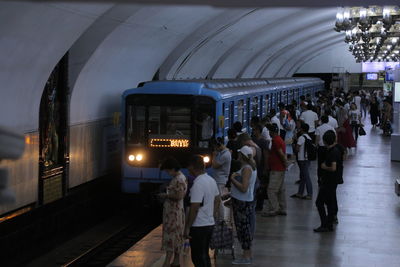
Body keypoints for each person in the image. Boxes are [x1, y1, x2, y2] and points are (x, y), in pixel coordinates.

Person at [184, 155, 220, 267]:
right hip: (209, 224)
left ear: (192, 167)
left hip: (198, 226)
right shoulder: (211, 180)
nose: (187, 169)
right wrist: (211, 215)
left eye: (188, 166)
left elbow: (194, 207)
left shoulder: (198, 184)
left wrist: (188, 227)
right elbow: (217, 200)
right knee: (204, 255)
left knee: (198, 257)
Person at [230, 146, 257, 265]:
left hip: (242, 203)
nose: (238, 154)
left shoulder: (246, 168)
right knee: (245, 228)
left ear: (242, 156)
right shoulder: (251, 166)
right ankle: (247, 255)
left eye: (239, 153)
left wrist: (232, 179)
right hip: (243, 201)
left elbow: (244, 188)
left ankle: (246, 257)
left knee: (243, 229)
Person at [159, 157, 188, 267]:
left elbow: (179, 196)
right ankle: (176, 262)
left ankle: (166, 262)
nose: (167, 173)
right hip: (175, 213)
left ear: (172, 168)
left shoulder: (179, 179)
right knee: (176, 237)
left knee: (171, 237)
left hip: (173, 215)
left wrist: (166, 195)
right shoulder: (180, 178)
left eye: (167, 170)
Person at [314, 130, 342, 233]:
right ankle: (329, 224)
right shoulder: (337, 149)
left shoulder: (332, 152)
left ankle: (324, 224)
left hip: (328, 181)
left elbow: (333, 167)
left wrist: (324, 167)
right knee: (330, 203)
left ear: (325, 141)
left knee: (319, 202)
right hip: (332, 181)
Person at [262, 123, 288, 217]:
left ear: (272, 132)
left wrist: (285, 163)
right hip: (280, 168)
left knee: (271, 190)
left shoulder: (276, 141)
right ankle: (282, 208)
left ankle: (274, 209)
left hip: (276, 169)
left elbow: (281, 154)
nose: (268, 132)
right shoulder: (279, 139)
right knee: (280, 189)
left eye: (269, 131)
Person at [211, 138, 232, 223]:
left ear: (218, 145)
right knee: (217, 198)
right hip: (218, 178)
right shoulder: (223, 153)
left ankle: (221, 218)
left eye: (215, 147)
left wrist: (214, 156)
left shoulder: (225, 155)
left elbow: (215, 165)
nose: (214, 149)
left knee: (218, 199)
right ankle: (219, 217)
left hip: (220, 179)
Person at [291, 122, 313, 199]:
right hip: (307, 159)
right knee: (303, 177)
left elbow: (297, 148)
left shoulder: (301, 137)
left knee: (306, 177)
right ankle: (300, 193)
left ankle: (309, 194)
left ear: (302, 129)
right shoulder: (309, 137)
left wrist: (294, 145)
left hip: (302, 159)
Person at [315, 115, 334, 183]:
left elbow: (317, 139)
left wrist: (316, 145)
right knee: (328, 163)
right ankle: (327, 178)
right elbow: (334, 137)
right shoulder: (331, 128)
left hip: (321, 148)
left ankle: (320, 178)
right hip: (329, 148)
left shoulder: (318, 128)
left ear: (321, 120)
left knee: (320, 163)